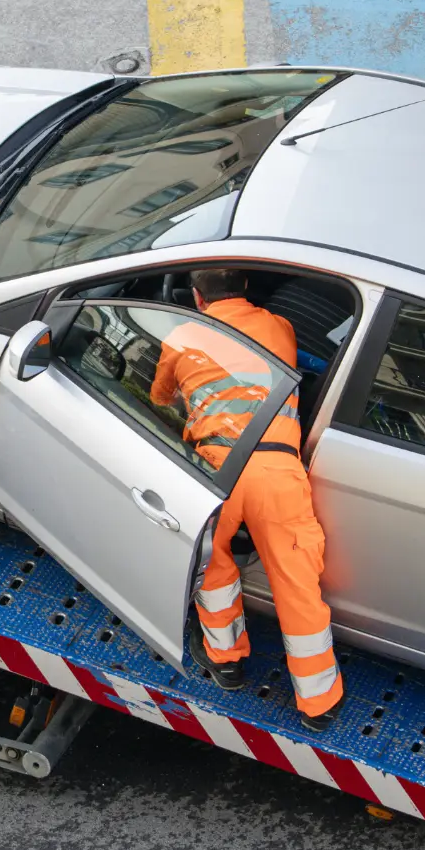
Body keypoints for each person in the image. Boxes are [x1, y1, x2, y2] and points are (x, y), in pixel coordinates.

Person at [150, 269, 344, 730]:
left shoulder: (182, 336)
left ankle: (227, 661)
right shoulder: (280, 327)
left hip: (216, 468)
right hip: (277, 468)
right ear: (246, 290)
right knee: (296, 582)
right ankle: (319, 704)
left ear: (197, 297)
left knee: (212, 567)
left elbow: (160, 397)